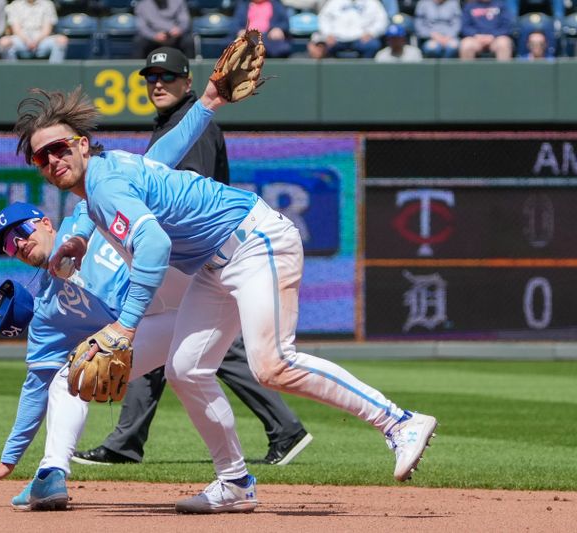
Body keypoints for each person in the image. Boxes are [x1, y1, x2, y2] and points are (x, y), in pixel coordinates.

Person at [33, 81, 437, 513]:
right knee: (186, 369)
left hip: (255, 240)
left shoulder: (104, 183)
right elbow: (165, 153)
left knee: (273, 363)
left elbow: (154, 247)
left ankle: (399, 421)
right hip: (214, 264)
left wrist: (125, 325)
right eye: (41, 157)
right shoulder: (110, 170)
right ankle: (234, 482)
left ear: (80, 145)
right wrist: (206, 105)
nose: (53, 160)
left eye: (59, 148)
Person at [0, 82, 241, 510]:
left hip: (213, 281)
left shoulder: (92, 212)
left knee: (271, 365)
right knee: (69, 376)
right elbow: (35, 384)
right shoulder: (47, 308)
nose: (17, 245)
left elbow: (160, 157)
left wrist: (206, 105)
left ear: (43, 222)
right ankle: (51, 475)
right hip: (170, 321)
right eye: (6, 245)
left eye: (19, 232)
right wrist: (7, 460)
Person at [73, 47, 311, 468]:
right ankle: (127, 442)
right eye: (151, 77)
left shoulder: (191, 126)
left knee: (208, 350)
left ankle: (287, 429)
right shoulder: (171, 124)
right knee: (177, 348)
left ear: (188, 83)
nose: (158, 83)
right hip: (194, 255)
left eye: (168, 76)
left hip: (207, 249)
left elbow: (191, 191)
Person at [0, 0, 67, 62]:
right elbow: (16, 30)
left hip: (42, 41)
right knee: (4, 42)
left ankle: (54, 73)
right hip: (21, 41)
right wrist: (27, 41)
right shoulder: (15, 4)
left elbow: (47, 30)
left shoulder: (47, 4)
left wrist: (36, 41)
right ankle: (11, 73)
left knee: (62, 40)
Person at [318, 0, 388, 58]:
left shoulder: (372, 3)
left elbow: (382, 20)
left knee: (373, 45)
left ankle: (365, 71)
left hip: (361, 39)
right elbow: (323, 18)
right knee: (319, 47)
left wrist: (371, 33)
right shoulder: (334, 2)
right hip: (337, 39)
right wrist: (328, 34)